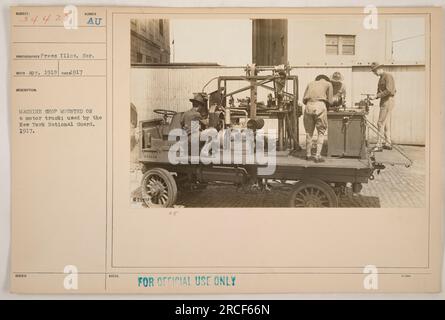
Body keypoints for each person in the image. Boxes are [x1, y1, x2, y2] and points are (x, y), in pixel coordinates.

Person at [302, 74, 333, 163]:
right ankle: (317, 156)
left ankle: (308, 155)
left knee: (308, 132)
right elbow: (330, 101)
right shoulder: (328, 84)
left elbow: (304, 100)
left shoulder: (310, 83)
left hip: (308, 106)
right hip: (320, 106)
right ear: (326, 80)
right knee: (321, 132)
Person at [369, 62, 396, 152]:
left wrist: (377, 96)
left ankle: (379, 145)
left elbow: (389, 90)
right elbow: (380, 91)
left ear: (379, 69)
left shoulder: (388, 76)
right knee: (386, 123)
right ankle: (388, 143)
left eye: (374, 71)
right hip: (384, 100)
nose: (374, 73)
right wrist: (374, 96)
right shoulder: (381, 78)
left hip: (388, 100)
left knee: (380, 123)